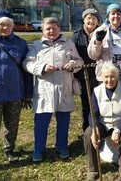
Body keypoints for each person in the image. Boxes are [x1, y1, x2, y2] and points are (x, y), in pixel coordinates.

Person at [22, 17, 84, 162]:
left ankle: (62, 145)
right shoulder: (37, 45)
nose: (51, 31)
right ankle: (38, 149)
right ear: (43, 30)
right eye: (48, 29)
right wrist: (42, 67)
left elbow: (80, 61)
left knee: (63, 121)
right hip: (44, 90)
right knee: (41, 122)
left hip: (64, 88)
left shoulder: (68, 43)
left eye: (54, 28)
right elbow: (27, 63)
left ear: (58, 28)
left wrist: (73, 64)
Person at [83, 63, 121, 181]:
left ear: (117, 76)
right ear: (102, 78)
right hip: (104, 124)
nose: (109, 80)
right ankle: (93, 169)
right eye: (106, 77)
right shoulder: (97, 91)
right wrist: (95, 128)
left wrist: (118, 129)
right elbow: (93, 114)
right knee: (88, 134)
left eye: (112, 76)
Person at [0, 10, 33, 163]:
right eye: (1, 24)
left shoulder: (20, 43)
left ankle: (9, 149)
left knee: (12, 125)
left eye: (8, 25)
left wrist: (28, 92)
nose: (5, 28)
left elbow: (27, 69)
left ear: (12, 26)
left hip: (15, 92)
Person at [87, 3, 121, 82]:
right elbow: (93, 56)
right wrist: (98, 42)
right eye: (113, 14)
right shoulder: (100, 31)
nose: (116, 16)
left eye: (118, 14)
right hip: (107, 76)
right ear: (108, 17)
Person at [71, 8, 101, 133]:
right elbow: (72, 54)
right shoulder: (77, 35)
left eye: (94, 18)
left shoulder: (102, 33)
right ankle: (88, 129)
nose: (91, 21)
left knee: (100, 102)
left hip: (100, 74)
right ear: (84, 20)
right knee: (87, 103)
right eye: (89, 18)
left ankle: (99, 127)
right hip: (84, 74)